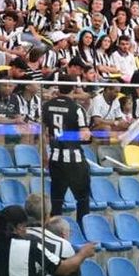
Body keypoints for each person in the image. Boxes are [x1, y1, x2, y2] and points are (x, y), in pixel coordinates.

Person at [42, 81, 92, 223]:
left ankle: (53, 230)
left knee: (56, 200)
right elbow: (84, 135)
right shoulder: (77, 108)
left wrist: (44, 155)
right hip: (74, 159)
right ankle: (82, 228)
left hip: (55, 157)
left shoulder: (47, 106)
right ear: (73, 89)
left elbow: (42, 133)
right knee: (83, 199)